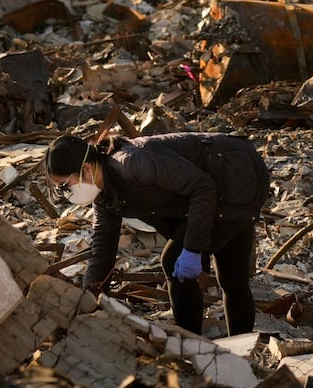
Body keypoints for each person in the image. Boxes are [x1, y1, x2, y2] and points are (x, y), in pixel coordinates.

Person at [45, 131, 271, 336]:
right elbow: (102, 248)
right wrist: (89, 298)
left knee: (181, 263)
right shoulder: (105, 195)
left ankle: (191, 345)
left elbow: (202, 187)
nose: (66, 194)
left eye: (65, 186)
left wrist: (192, 248)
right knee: (231, 278)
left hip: (236, 174)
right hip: (215, 185)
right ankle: (238, 346)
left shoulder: (134, 163)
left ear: (86, 168)